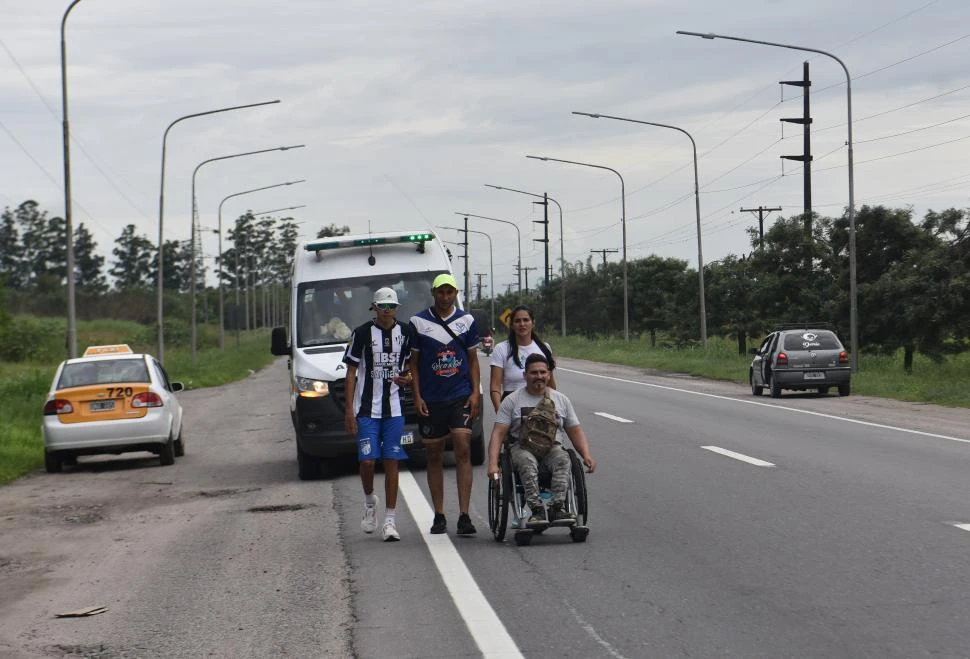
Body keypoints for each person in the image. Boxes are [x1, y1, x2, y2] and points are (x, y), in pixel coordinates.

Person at [408, 273, 481, 536]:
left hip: (460, 395)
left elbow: (473, 360)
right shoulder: (418, 322)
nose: (445, 296)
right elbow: (413, 364)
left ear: (456, 293)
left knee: (462, 448)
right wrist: (417, 396)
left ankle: (464, 515)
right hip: (432, 398)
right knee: (434, 454)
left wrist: (475, 393)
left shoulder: (467, 320)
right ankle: (439, 514)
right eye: (441, 292)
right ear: (433, 293)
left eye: (450, 292)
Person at [487, 353, 596, 525]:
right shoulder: (512, 401)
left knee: (563, 458)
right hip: (522, 448)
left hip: (552, 448)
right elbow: (498, 434)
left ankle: (557, 507)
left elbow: (574, 430)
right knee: (526, 461)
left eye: (542, 372)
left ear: (549, 374)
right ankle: (537, 510)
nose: (539, 376)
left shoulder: (561, 400)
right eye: (534, 373)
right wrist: (493, 464)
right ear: (525, 375)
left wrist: (586, 455)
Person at [343, 287, 413, 542]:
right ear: (374, 307)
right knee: (368, 461)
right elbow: (351, 373)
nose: (387, 311)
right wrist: (349, 411)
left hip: (394, 409)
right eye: (382, 307)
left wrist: (407, 378)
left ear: (396, 308)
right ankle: (370, 502)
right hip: (367, 410)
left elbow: (411, 366)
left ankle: (390, 521)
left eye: (391, 307)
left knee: (392, 460)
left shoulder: (405, 332)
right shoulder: (361, 333)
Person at [489, 305, 558, 412]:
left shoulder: (545, 348)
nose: (522, 324)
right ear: (512, 325)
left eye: (526, 320)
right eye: (517, 321)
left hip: (540, 408)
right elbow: (495, 386)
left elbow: (551, 385)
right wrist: (500, 412)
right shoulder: (501, 349)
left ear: (533, 323)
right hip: (511, 406)